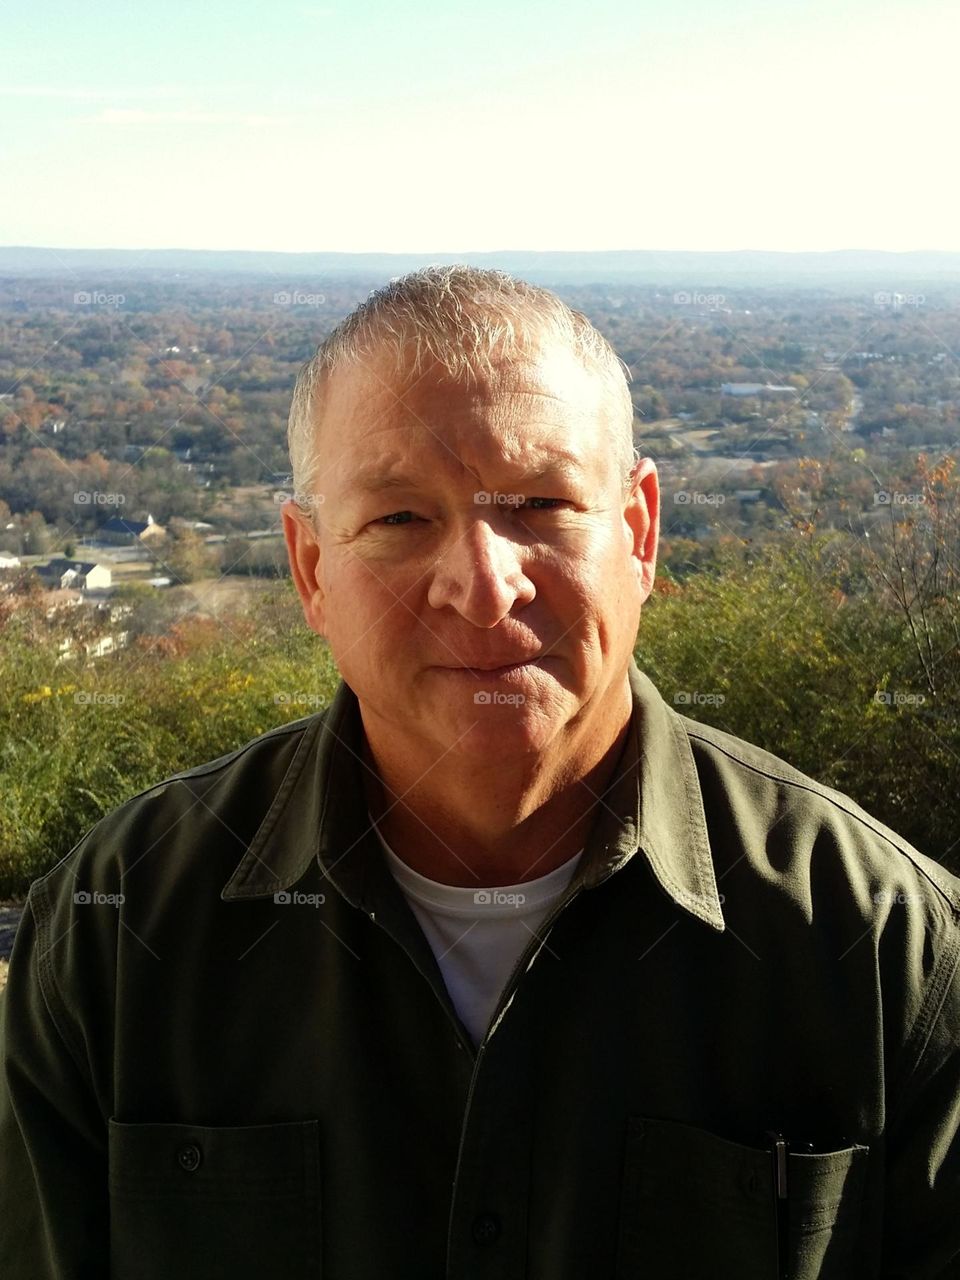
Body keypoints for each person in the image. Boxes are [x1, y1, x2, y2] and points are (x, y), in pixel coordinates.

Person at [1, 265, 959, 1279]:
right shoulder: (122, 928)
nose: (484, 587)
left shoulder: (887, 947)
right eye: (401, 519)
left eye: (542, 502)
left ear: (637, 532)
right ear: (310, 566)